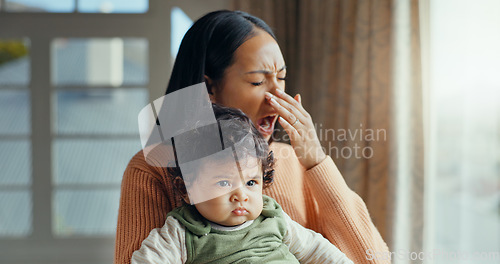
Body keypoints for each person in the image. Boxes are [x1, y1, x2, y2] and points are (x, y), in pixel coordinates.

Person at [115, 10, 389, 264]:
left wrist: (316, 161)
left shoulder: (294, 160)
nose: (277, 97)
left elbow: (373, 260)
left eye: (281, 78)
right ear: (208, 87)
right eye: (258, 81)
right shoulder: (153, 168)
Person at [131, 104, 353, 263]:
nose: (241, 195)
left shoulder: (272, 217)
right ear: (186, 189)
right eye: (224, 182)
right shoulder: (182, 232)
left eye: (250, 182)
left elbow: (317, 249)